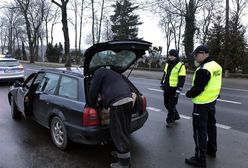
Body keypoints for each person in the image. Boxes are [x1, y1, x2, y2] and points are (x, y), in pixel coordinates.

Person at [185, 45, 222, 167]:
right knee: (211, 126)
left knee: (199, 130)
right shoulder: (216, 66)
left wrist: (189, 93)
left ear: (203, 54)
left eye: (196, 55)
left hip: (201, 104)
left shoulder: (203, 69)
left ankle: (200, 158)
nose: (195, 57)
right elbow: (215, 83)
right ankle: (212, 150)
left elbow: (198, 88)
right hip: (212, 101)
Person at [88, 67, 133, 168]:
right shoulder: (111, 73)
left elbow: (93, 91)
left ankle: (124, 164)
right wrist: (102, 102)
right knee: (124, 129)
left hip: (118, 103)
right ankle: (121, 153)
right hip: (128, 98)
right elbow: (108, 91)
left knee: (118, 132)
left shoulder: (98, 73)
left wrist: (92, 105)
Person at [160, 49, 186, 128]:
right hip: (166, 87)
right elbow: (165, 74)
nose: (170, 57)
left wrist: (179, 89)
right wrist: (162, 83)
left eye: (172, 55)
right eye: (169, 55)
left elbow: (182, 79)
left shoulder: (181, 66)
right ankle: (176, 115)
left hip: (174, 89)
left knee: (171, 105)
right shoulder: (167, 64)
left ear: (175, 56)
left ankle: (170, 121)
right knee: (166, 104)